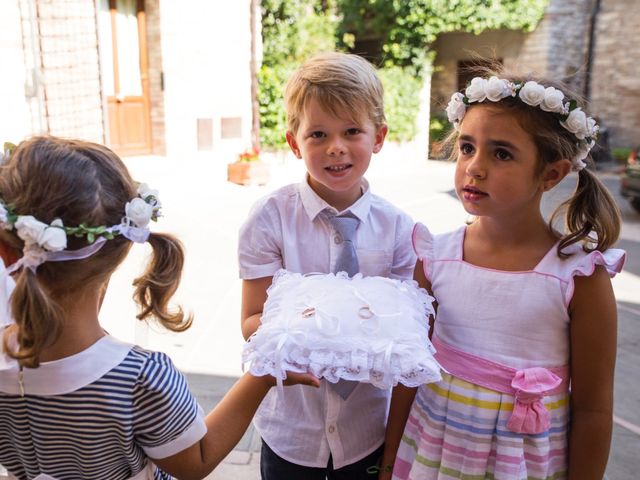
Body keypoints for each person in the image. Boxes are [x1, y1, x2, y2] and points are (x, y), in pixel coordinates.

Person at [0, 136, 319, 480]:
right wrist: (262, 376)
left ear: (7, 251)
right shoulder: (140, 378)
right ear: (119, 252)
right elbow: (196, 460)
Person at [381, 71, 626, 480]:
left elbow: (593, 410)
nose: (473, 168)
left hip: (524, 465)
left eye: (502, 154)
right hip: (432, 458)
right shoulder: (434, 258)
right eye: (466, 147)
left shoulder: (579, 276)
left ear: (551, 173)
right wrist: (388, 463)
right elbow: (410, 372)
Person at [238, 51, 416, 479]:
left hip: (367, 429)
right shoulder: (268, 219)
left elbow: (406, 328)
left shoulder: (399, 229)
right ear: (295, 143)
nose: (336, 147)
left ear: (379, 136)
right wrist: (294, 339)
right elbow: (250, 320)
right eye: (318, 134)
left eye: (352, 130)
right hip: (291, 431)